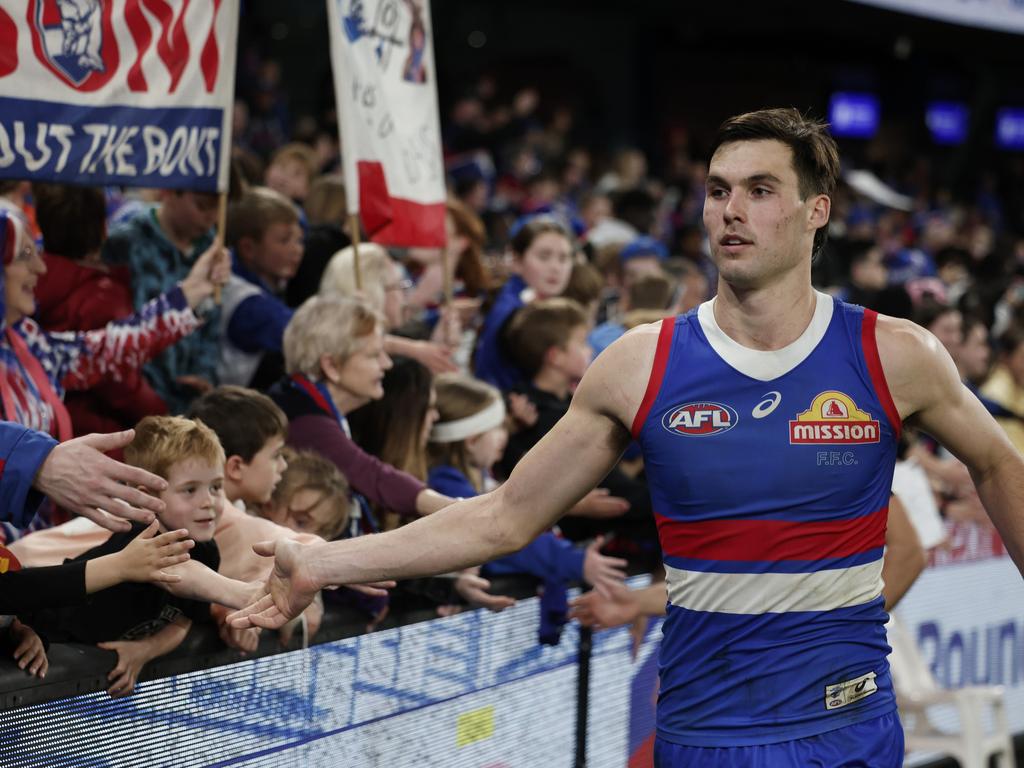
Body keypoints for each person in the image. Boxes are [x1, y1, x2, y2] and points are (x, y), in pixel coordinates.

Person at [230, 108, 1024, 767]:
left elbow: (996, 463)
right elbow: (503, 517)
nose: (730, 210)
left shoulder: (894, 353)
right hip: (702, 737)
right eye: (717, 191)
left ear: (817, 210)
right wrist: (321, 562)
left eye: (759, 189)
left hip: (845, 732)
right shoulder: (640, 366)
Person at [21, 416, 262, 697]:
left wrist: (145, 651)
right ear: (145, 496)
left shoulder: (207, 550)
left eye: (216, 487)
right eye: (190, 490)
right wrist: (245, 596)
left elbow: (183, 620)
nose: (208, 501)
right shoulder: (140, 539)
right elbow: (179, 571)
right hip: (41, 622)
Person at [102, 188, 224, 413]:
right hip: (134, 400)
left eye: (219, 208)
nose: (212, 217)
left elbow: (213, 321)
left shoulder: (213, 249)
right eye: (202, 205)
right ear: (169, 193)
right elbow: (111, 327)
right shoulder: (126, 243)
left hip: (188, 404)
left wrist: (203, 373)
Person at [218, 187, 304, 388]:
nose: (297, 249)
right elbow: (303, 335)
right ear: (248, 248)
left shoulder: (269, 281)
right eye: (284, 240)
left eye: (299, 239)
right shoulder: (246, 302)